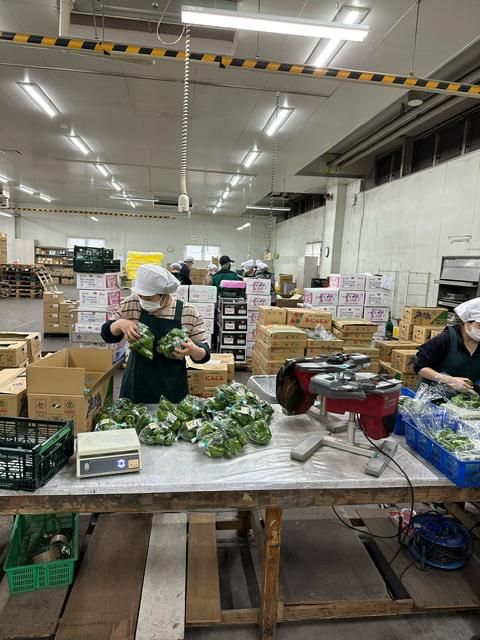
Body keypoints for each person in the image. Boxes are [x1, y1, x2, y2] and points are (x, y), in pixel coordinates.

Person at [101, 264, 210, 404]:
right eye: (140, 295)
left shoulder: (188, 312)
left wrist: (193, 350)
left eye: (148, 297)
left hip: (172, 388)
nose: (143, 300)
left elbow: (204, 355)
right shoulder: (132, 304)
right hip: (136, 385)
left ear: (163, 293)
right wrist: (120, 324)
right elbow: (106, 334)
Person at [414, 298, 480, 397]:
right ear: (467, 323)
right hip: (431, 398)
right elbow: (420, 367)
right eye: (479, 325)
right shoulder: (445, 339)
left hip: (461, 401)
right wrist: (450, 380)